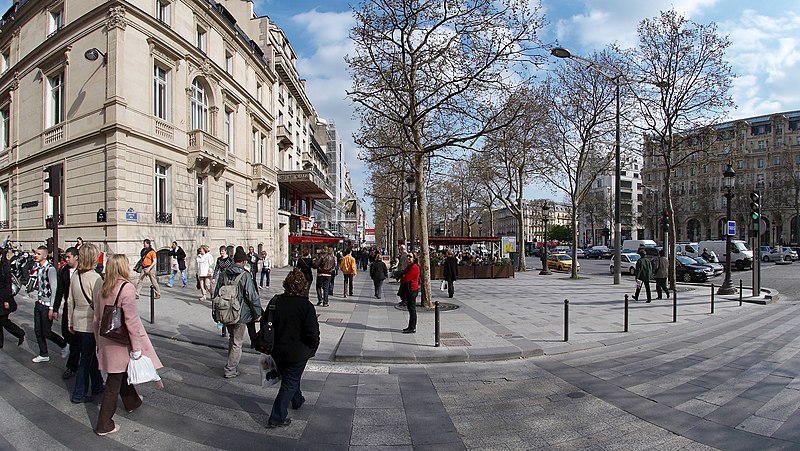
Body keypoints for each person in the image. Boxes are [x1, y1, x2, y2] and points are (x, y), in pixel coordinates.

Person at [93, 254, 163, 436]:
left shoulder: (102, 288)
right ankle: (104, 424)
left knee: (120, 374)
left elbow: (97, 319)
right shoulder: (127, 288)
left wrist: (98, 342)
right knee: (113, 383)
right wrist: (137, 348)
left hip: (107, 339)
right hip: (122, 341)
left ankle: (132, 402)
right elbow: (131, 321)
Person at [264, 269, 320, 428]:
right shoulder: (306, 306)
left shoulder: (275, 301)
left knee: (290, 377)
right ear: (303, 286)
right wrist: (312, 347)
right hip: (297, 352)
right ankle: (277, 416)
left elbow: (264, 323)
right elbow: (312, 333)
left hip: (277, 350)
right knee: (289, 382)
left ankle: (297, 400)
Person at [214, 246, 262, 378]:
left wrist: (215, 313)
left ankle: (231, 364)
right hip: (240, 314)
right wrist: (258, 313)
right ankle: (230, 369)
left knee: (232, 339)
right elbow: (252, 296)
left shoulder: (224, 274)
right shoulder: (245, 275)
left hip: (225, 312)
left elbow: (216, 294)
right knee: (237, 342)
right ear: (244, 262)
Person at [67, 243, 104, 403]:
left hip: (77, 320)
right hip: (90, 324)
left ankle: (97, 386)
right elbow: (99, 304)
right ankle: (78, 394)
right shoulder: (96, 278)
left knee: (89, 356)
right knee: (86, 360)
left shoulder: (75, 275)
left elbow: (69, 301)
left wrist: (70, 321)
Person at [31, 245, 69, 363]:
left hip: (47, 305)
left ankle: (64, 344)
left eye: (38, 254)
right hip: (39, 303)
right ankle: (43, 353)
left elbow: (54, 288)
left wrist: (52, 308)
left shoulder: (50, 269)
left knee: (47, 332)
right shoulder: (39, 268)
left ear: (45, 255)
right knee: (38, 330)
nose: (35, 256)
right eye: (35, 253)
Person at [55, 247, 80, 379]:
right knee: (66, 333)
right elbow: (59, 290)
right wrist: (55, 309)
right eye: (65, 257)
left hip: (80, 308)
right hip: (68, 306)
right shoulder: (64, 270)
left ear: (76, 257)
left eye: (69, 257)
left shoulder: (82, 270)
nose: (66, 259)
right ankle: (73, 357)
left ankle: (72, 366)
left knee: (77, 339)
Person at [0, 247, 25, 349]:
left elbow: (8, 284)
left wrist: (6, 300)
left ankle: (19, 333)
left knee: (3, 320)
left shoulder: (5, 266)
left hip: (4, 297)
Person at [399, 253, 420, 334]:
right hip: (409, 290)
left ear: (414, 258)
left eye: (410, 257)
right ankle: (410, 326)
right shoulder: (410, 266)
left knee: (412, 309)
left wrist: (403, 276)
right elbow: (404, 274)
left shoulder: (414, 267)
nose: (408, 258)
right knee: (410, 309)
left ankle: (412, 327)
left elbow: (406, 278)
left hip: (412, 290)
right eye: (408, 256)